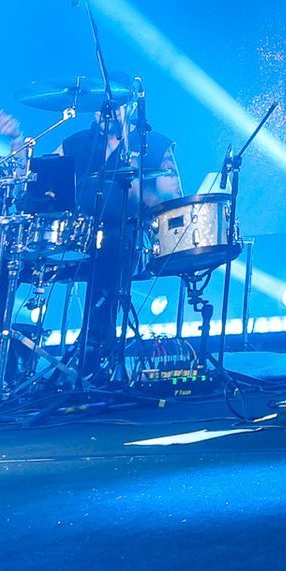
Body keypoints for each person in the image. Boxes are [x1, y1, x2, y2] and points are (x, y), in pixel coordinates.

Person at [58, 99, 182, 388]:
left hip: (130, 239)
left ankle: (95, 349)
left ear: (128, 107)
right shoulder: (75, 144)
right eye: (100, 104)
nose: (105, 110)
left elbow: (170, 201)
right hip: (74, 239)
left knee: (113, 245)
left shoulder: (152, 145)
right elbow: (41, 183)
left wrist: (140, 186)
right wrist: (17, 143)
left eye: (114, 104)